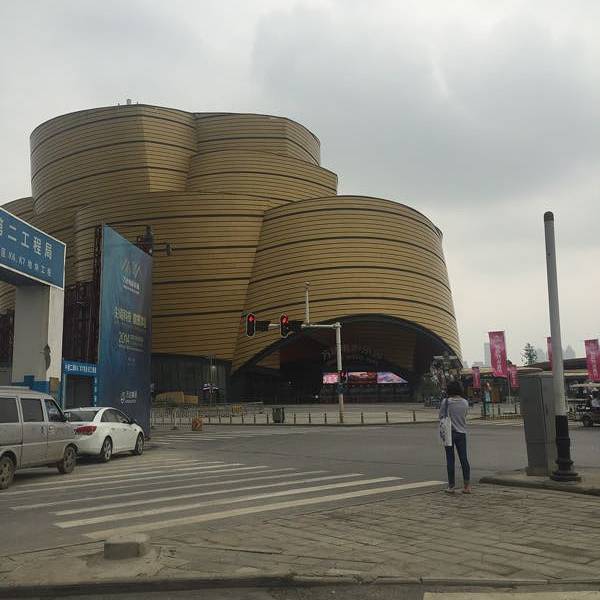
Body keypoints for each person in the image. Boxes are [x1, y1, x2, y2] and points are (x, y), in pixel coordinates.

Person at [439, 380, 471, 494]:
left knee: (450, 459)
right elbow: (465, 415)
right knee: (464, 459)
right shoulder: (465, 402)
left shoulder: (446, 402)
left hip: (449, 433)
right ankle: (467, 486)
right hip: (462, 433)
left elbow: (441, 416)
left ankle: (451, 486)